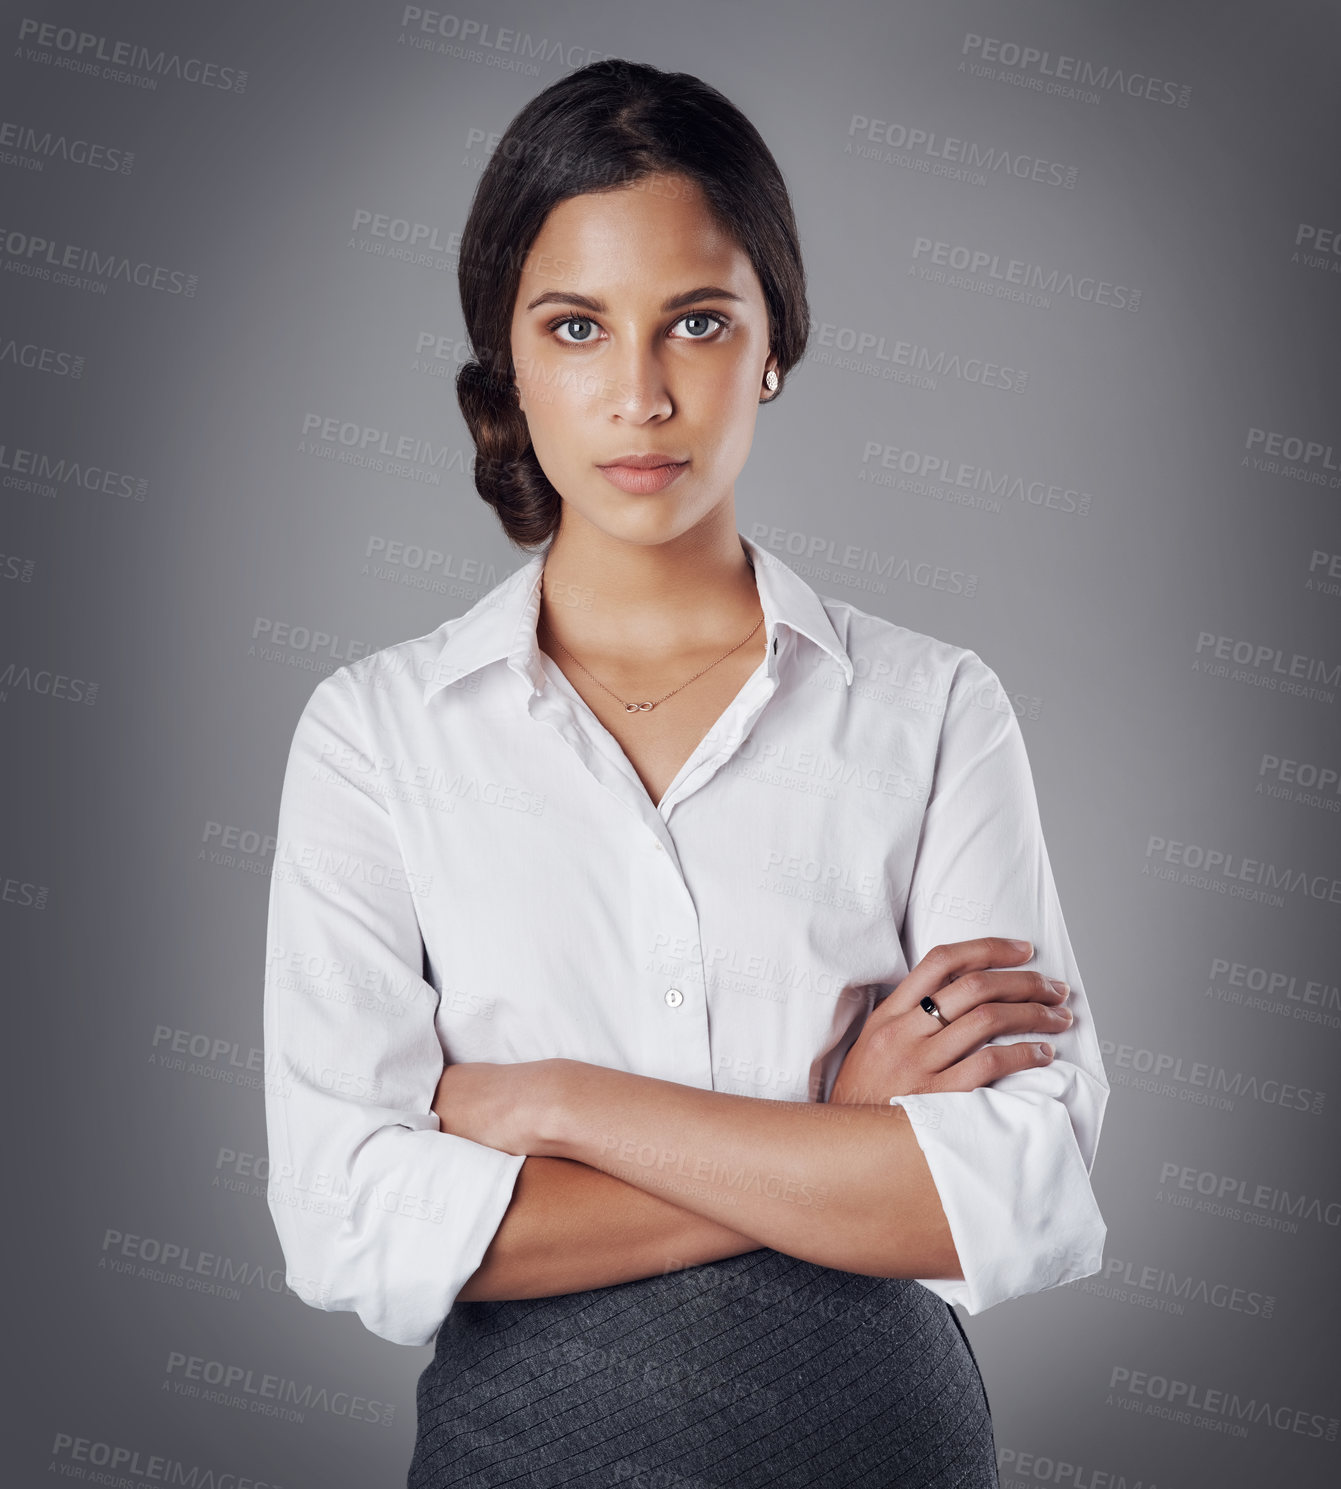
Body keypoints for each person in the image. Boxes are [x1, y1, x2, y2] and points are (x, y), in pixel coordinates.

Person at [262, 58, 1109, 1488]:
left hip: (879, 1447)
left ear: (773, 343)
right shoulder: (376, 734)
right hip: (527, 1456)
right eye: (577, 327)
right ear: (508, 358)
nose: (640, 394)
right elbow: (347, 1218)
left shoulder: (932, 708)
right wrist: (836, 1142)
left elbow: (1018, 1189)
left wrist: (561, 1101)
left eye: (698, 323)